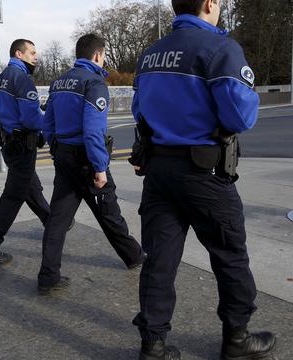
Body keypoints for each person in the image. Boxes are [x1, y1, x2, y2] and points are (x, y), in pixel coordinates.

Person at [129, 1, 276, 359]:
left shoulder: (151, 54)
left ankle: (153, 344)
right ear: (210, 3)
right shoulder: (220, 48)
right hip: (203, 173)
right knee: (229, 254)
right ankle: (237, 339)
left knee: (159, 259)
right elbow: (240, 115)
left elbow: (139, 110)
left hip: (159, 171)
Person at [37, 34, 146, 294]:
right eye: (104, 55)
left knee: (58, 219)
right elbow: (93, 131)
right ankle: (134, 256)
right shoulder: (94, 82)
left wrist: (57, 150)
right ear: (97, 55)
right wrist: (99, 168)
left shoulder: (59, 82)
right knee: (108, 210)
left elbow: (48, 124)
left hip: (63, 155)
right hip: (86, 158)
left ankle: (48, 276)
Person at [0, 39, 51, 265]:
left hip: (8, 143)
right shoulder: (22, 80)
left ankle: (52, 222)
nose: (35, 57)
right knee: (13, 196)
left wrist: (8, 127)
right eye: (32, 52)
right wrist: (48, 123)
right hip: (22, 145)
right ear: (19, 54)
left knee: (30, 185)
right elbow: (31, 118)